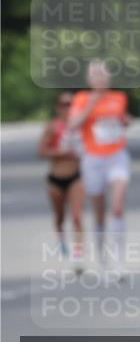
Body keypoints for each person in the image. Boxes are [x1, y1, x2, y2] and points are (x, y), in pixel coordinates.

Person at [68, 60, 132, 265]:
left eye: (103, 75)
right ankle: (101, 250)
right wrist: (91, 105)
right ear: (88, 79)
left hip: (117, 156)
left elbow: (121, 120)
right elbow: (72, 124)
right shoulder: (81, 98)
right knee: (99, 212)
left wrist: (126, 121)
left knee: (117, 207)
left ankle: (119, 258)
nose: (100, 79)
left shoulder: (119, 97)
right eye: (95, 75)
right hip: (93, 159)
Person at [37, 91, 85, 264]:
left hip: (76, 177)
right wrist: (61, 152)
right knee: (60, 217)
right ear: (58, 108)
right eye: (64, 105)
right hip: (55, 179)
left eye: (71, 104)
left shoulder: (82, 127)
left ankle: (78, 255)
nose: (68, 108)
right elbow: (41, 151)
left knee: (77, 216)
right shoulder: (53, 126)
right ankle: (61, 238)